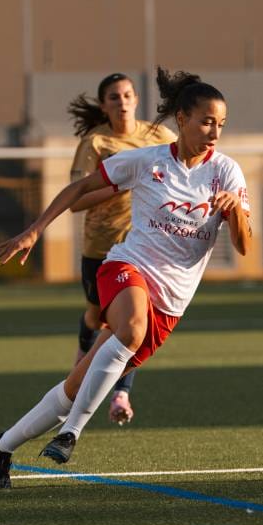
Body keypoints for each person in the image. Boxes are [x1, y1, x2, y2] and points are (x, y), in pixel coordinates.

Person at [0, 69, 251, 489]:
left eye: (221, 124)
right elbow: (78, 190)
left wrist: (235, 208)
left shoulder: (228, 173)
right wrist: (36, 229)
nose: (215, 131)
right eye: (206, 121)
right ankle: (71, 433)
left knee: (75, 386)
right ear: (181, 119)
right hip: (125, 267)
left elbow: (243, 246)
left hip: (171, 301)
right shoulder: (147, 160)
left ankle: (3, 446)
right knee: (129, 328)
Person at [67, 73, 176, 425]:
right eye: (114, 97)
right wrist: (120, 185)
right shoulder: (95, 142)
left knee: (132, 322)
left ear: (136, 99)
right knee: (96, 318)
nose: (123, 101)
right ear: (104, 105)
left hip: (143, 248)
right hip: (101, 247)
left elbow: (187, 166)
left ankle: (120, 393)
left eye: (128, 94)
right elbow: (76, 200)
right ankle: (79, 370)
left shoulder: (158, 136)